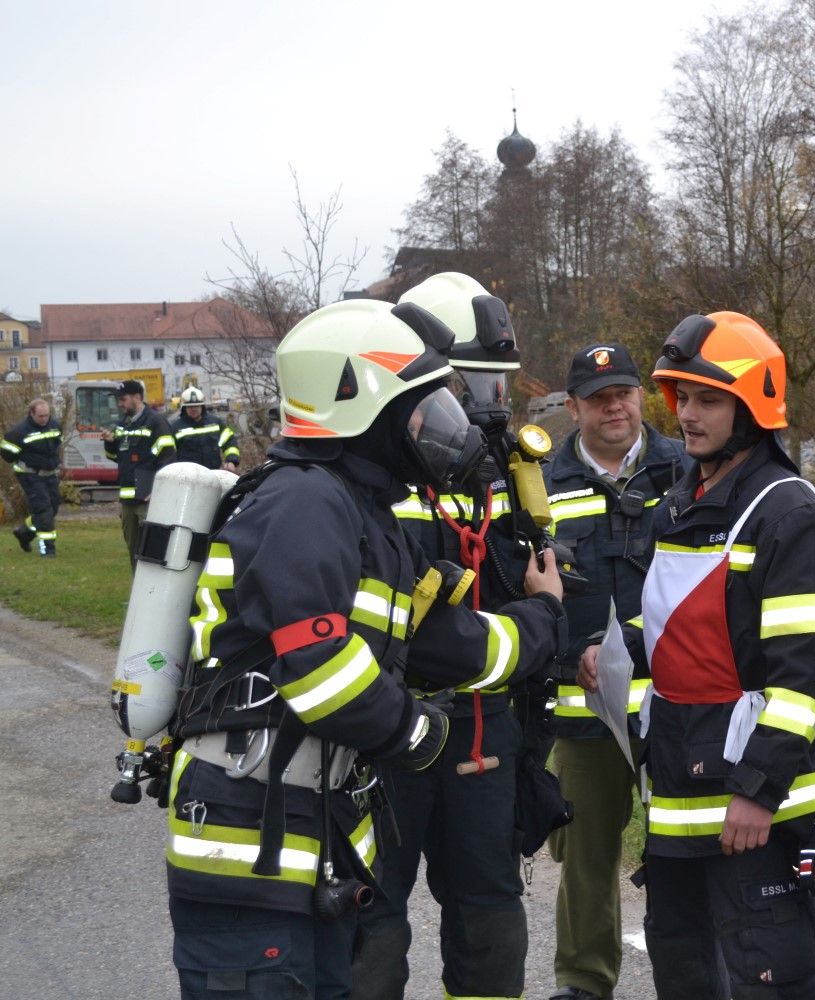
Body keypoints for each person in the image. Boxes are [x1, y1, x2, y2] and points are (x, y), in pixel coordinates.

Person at [165, 297, 566, 999]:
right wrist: (418, 733)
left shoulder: (360, 515)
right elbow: (321, 672)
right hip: (251, 847)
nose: (434, 426)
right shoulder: (304, 502)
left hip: (301, 838)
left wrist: (542, 617)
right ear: (363, 405)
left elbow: (440, 644)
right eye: (418, 409)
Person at [582, 311, 815, 1000]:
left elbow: (808, 671)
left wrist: (758, 792)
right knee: (685, 978)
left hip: (753, 816)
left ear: (753, 407)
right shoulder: (680, 504)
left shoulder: (787, 512)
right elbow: (678, 626)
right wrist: (617, 652)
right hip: (678, 808)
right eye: (682, 397)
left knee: (766, 982)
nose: (686, 414)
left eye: (708, 399)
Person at [350, 271, 545, 1000]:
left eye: (499, 386)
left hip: (483, 729)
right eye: (472, 386)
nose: (489, 408)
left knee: (489, 906)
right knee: (370, 911)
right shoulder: (371, 485)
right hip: (385, 724)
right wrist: (541, 620)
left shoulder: (513, 477)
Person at [543, 341, 689, 1000]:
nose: (614, 407)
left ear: (641, 397)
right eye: (597, 398)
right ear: (573, 408)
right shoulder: (539, 486)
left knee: (685, 853)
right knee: (585, 855)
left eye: (624, 394)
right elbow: (526, 593)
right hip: (584, 714)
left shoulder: (686, 469)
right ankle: (583, 981)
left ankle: (693, 979)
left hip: (676, 705)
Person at [106, 378, 175, 569]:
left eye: (123, 399)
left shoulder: (156, 422)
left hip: (148, 496)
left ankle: (153, 587)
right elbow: (116, 457)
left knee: (151, 548)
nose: (120, 404)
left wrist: (159, 488)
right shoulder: (123, 424)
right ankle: (137, 587)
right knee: (133, 548)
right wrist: (110, 443)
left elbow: (168, 457)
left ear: (137, 397)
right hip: (128, 500)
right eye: (118, 400)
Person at [5, 397, 63, 557]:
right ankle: (47, 550)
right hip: (30, 475)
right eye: (40, 416)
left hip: (50, 474)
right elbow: (8, 454)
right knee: (43, 510)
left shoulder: (55, 425)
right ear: (31, 413)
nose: (44, 419)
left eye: (47, 415)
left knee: (53, 508)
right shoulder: (19, 432)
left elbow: (57, 444)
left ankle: (24, 533)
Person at [171, 385, 241, 472]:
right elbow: (168, 454)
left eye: (197, 406)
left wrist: (231, 461)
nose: (193, 409)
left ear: (202, 406)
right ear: (184, 408)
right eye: (190, 407)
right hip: (186, 476)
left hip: (213, 473)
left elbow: (230, 442)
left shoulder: (215, 423)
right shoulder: (175, 428)